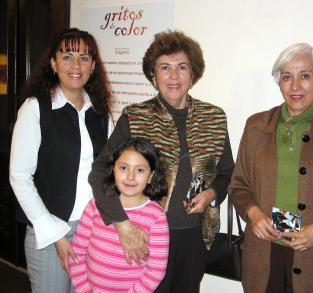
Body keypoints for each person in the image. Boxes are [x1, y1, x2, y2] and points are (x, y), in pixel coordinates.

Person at [88, 30, 234, 292]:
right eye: (164, 68)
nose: (174, 76)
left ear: (193, 75)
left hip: (196, 236)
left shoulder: (214, 118)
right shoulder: (135, 117)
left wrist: (212, 193)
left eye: (182, 67)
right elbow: (100, 171)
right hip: (146, 234)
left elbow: (227, 172)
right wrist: (122, 224)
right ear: (153, 77)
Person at [229, 43, 313, 293]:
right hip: (263, 254)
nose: (295, 86)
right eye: (287, 77)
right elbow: (238, 185)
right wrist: (254, 214)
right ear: (279, 82)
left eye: (304, 75)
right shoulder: (257, 125)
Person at [9, 28, 112, 293]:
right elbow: (19, 176)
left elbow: (108, 175)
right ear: (53, 63)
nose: (76, 65)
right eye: (67, 56)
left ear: (93, 66)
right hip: (49, 230)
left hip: (93, 230)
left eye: (84, 58)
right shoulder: (35, 109)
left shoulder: (101, 114)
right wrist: (56, 233)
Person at [69, 138, 169, 292]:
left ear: (151, 176)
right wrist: (84, 290)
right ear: (113, 169)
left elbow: (156, 270)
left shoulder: (157, 217)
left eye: (140, 170)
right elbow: (77, 253)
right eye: (123, 168)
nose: (130, 176)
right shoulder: (95, 205)